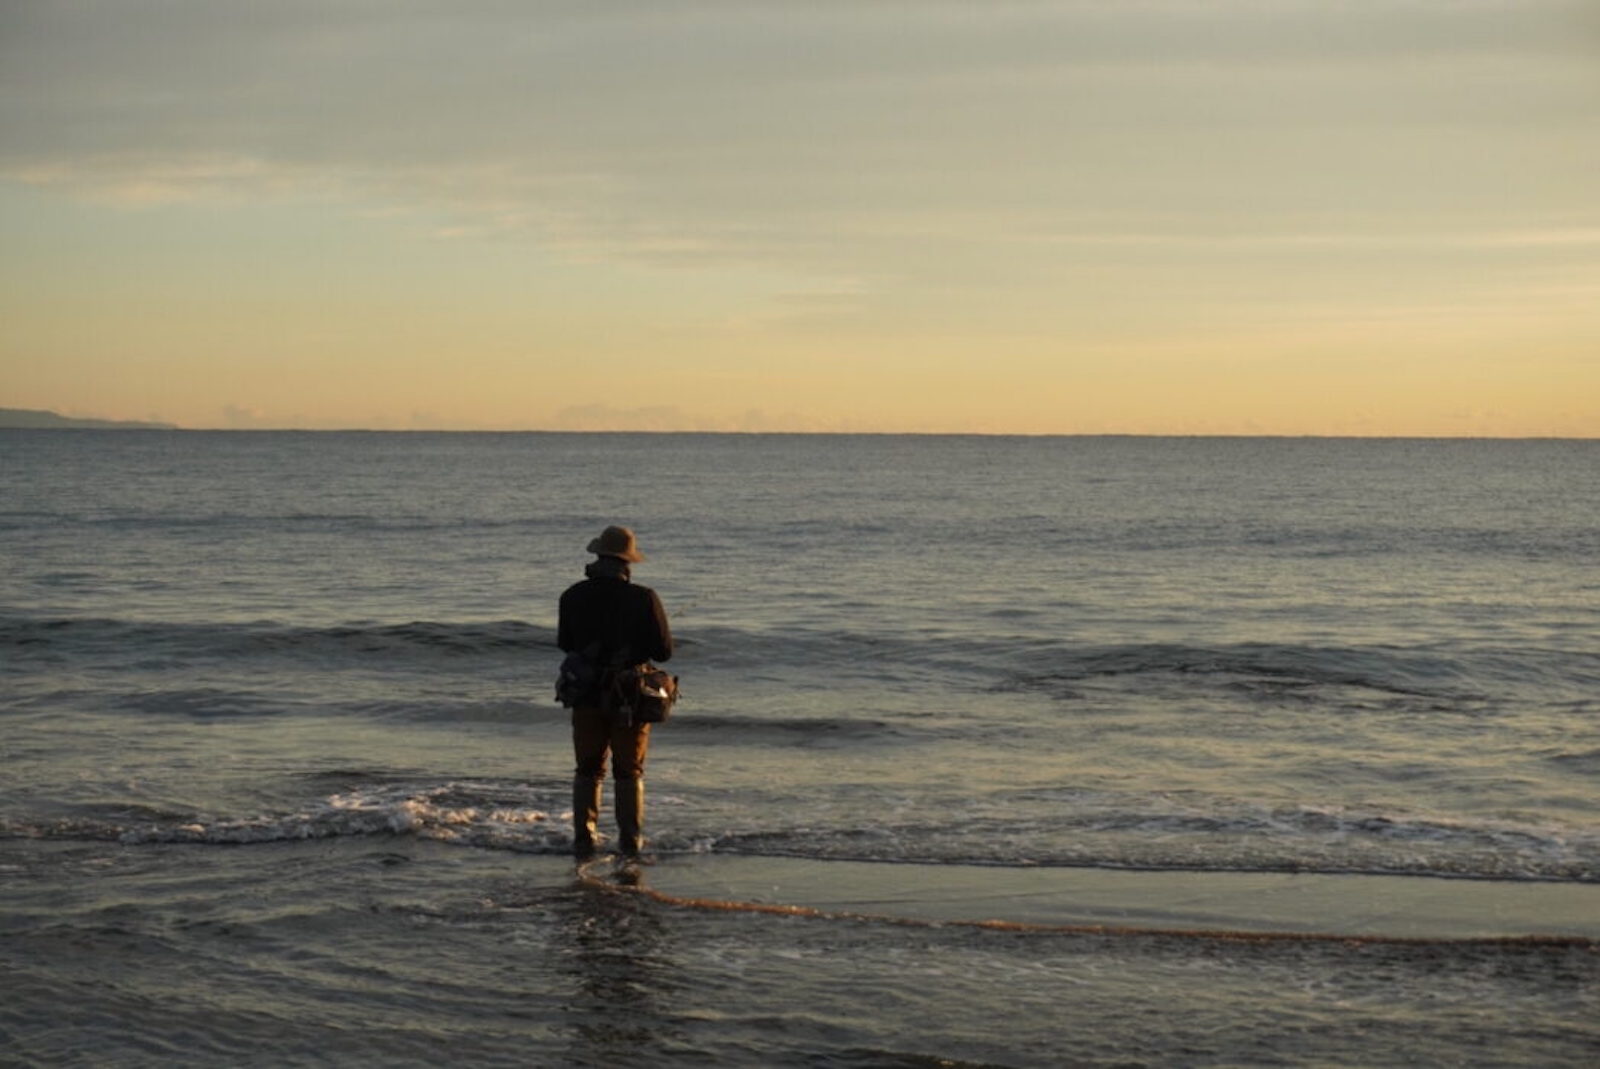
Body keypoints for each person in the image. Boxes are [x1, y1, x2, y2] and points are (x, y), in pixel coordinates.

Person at [557, 525, 673, 858]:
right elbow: (663, 652)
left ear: (598, 556)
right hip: (629, 698)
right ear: (627, 562)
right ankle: (630, 845)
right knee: (628, 770)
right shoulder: (644, 598)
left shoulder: (572, 595)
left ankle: (584, 842)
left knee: (588, 769)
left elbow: (565, 644)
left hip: (586, 695)